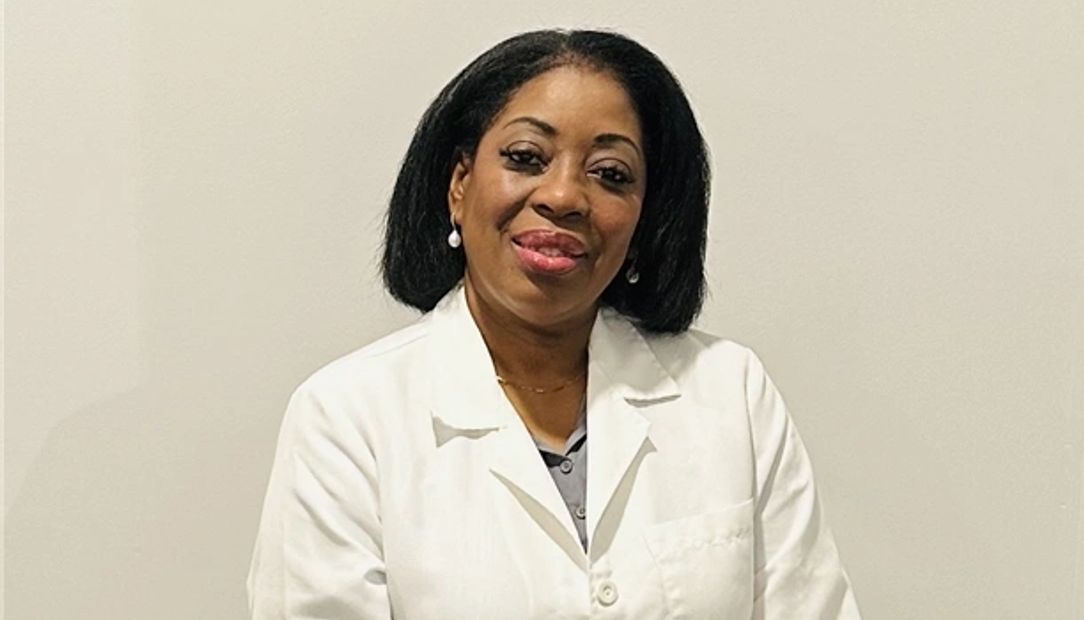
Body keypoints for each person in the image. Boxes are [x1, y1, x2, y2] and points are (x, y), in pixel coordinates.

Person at [247, 29, 860, 619]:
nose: (563, 196)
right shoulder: (347, 418)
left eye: (611, 174)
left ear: (643, 217)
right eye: (526, 158)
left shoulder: (730, 392)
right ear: (459, 184)